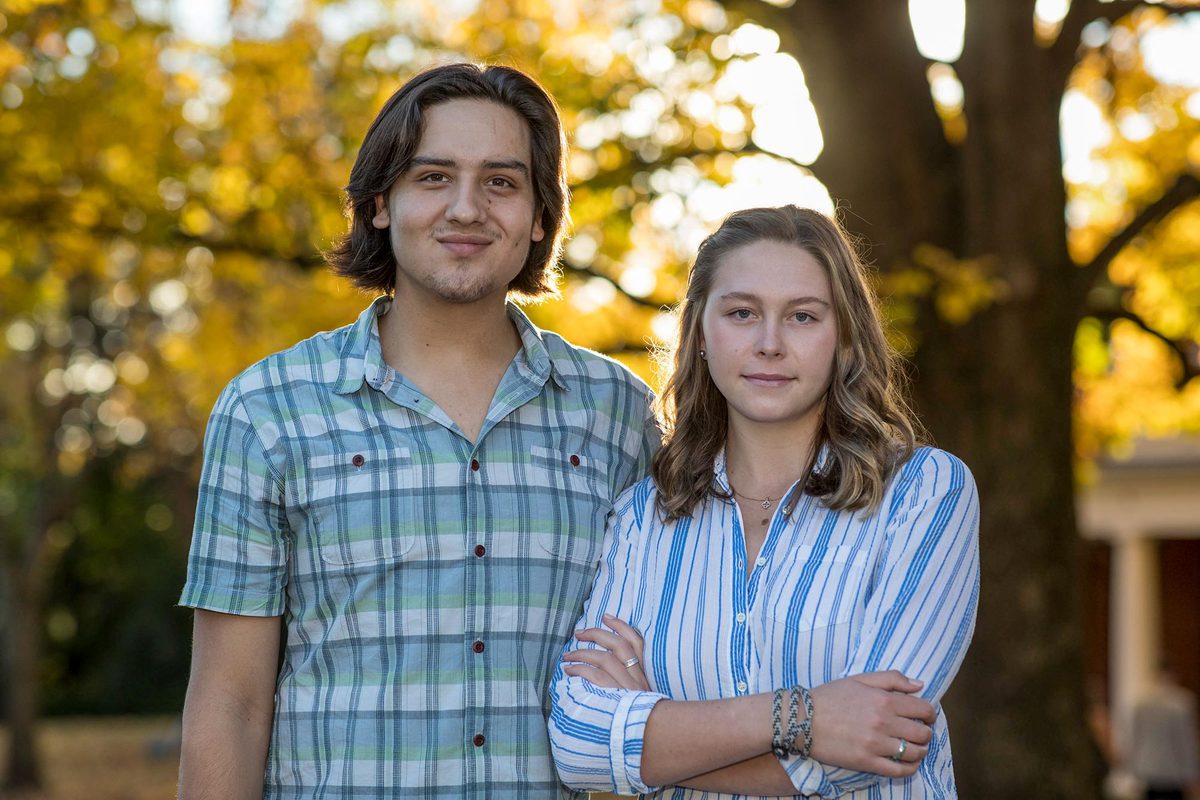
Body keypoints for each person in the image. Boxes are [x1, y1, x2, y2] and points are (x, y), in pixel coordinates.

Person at [176, 63, 660, 799]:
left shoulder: (620, 415)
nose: (466, 208)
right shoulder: (266, 411)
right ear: (379, 204)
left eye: (501, 182)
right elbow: (229, 704)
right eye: (433, 177)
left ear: (539, 217)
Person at [548, 205, 981, 798]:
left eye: (802, 316)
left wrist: (652, 736)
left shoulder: (924, 494)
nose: (770, 344)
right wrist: (803, 716)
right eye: (742, 313)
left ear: (844, 338)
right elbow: (576, 744)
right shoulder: (645, 515)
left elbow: (882, 743)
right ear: (702, 332)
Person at [1127, 661, 1199, 800]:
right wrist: (1193, 773)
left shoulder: (1142, 703)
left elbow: (1136, 738)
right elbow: (1186, 741)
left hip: (1148, 768)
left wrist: (1133, 768)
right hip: (1174, 771)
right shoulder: (1182, 703)